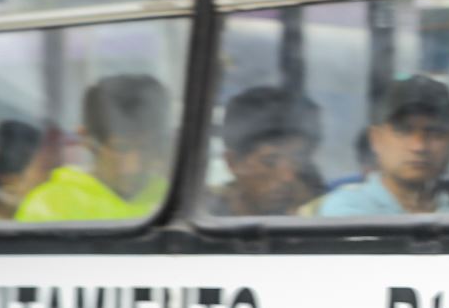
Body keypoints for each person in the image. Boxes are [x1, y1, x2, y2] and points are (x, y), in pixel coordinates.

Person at [16, 74, 171, 222]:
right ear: (88, 140)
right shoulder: (50, 208)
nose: (134, 167)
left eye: (146, 148)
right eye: (120, 147)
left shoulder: (172, 199)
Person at [318, 75, 449, 216]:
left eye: (435, 133)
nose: (419, 147)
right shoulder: (347, 210)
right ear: (376, 139)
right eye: (404, 131)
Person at [205, 86, 323, 216]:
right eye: (269, 162)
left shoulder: (322, 212)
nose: (288, 177)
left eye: (298, 160)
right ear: (233, 162)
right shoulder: (203, 218)